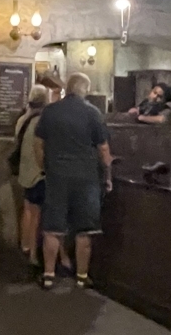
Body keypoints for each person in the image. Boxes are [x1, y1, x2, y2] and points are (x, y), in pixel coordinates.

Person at [35, 71, 113, 290]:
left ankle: (48, 275)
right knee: (85, 230)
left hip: (57, 177)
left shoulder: (50, 111)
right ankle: (81, 276)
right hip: (86, 179)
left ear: (67, 88)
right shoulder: (93, 113)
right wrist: (108, 175)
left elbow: (38, 144)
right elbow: (103, 149)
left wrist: (45, 167)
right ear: (85, 89)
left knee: (52, 228)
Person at [10, 85, 51, 279]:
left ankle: (25, 245)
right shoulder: (41, 121)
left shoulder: (22, 119)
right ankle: (34, 256)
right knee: (36, 215)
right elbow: (40, 149)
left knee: (27, 210)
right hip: (38, 173)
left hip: (24, 172)